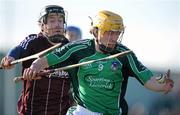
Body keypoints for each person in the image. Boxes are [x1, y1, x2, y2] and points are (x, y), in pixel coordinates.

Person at [22, 10, 174, 115]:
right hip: (84, 111)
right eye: (108, 32)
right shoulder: (77, 49)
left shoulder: (124, 54)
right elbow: (47, 60)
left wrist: (162, 85)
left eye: (116, 33)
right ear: (95, 31)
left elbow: (148, 80)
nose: (112, 38)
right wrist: (34, 67)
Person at [0, 5, 73, 115]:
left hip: (61, 112)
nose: (57, 24)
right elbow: (19, 49)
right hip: (31, 111)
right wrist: (10, 57)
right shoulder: (33, 41)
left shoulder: (70, 47)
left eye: (60, 20)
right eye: (52, 21)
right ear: (43, 25)